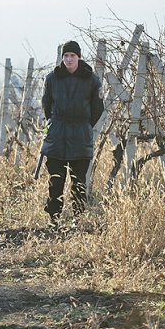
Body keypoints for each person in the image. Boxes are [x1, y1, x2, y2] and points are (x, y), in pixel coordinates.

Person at [39, 40, 104, 227]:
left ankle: (78, 218)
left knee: (79, 181)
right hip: (57, 135)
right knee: (56, 180)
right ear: (62, 58)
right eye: (66, 56)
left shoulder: (91, 79)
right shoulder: (52, 78)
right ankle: (54, 218)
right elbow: (46, 105)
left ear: (78, 57)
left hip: (80, 135)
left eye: (72, 56)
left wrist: (83, 125)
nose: (69, 59)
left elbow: (97, 108)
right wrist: (58, 124)